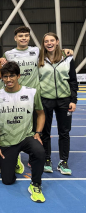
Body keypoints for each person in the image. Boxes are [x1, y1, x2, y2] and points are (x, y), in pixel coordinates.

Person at [0, 61, 46, 203]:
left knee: (39, 151)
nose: (8, 80)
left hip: (26, 137)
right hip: (7, 140)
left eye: (12, 76)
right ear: (2, 78)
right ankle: (15, 162)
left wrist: (38, 132)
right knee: (7, 181)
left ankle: (36, 184)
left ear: (19, 76)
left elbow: (41, 114)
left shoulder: (31, 92)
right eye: (5, 76)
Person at [38, 33, 77, 175]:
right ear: (43, 43)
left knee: (64, 132)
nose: (49, 43)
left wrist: (73, 100)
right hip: (45, 100)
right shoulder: (39, 59)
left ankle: (63, 161)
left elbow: (73, 80)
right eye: (46, 41)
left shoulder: (67, 59)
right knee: (44, 132)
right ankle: (47, 159)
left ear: (57, 42)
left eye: (52, 40)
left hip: (64, 100)